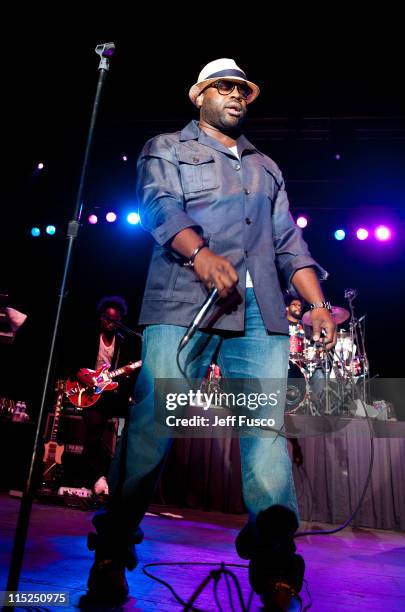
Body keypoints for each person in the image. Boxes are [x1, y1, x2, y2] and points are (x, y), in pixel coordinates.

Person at [84, 58, 336, 608]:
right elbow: (158, 205)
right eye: (224, 87)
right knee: (152, 426)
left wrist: (316, 303)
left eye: (242, 88)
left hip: (259, 315)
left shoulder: (267, 168)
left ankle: (274, 563)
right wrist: (200, 255)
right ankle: (111, 551)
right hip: (182, 302)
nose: (236, 95)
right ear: (199, 96)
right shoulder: (166, 147)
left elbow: (290, 243)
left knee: (265, 435)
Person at [62, 296, 140, 495]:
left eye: (115, 320)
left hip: (108, 395)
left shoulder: (122, 342)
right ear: (101, 317)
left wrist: (127, 373)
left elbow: (119, 374)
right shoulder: (88, 335)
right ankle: (94, 477)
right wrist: (81, 375)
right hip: (84, 391)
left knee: (131, 421)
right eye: (107, 319)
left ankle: (112, 479)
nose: (110, 323)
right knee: (95, 428)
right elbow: (71, 360)